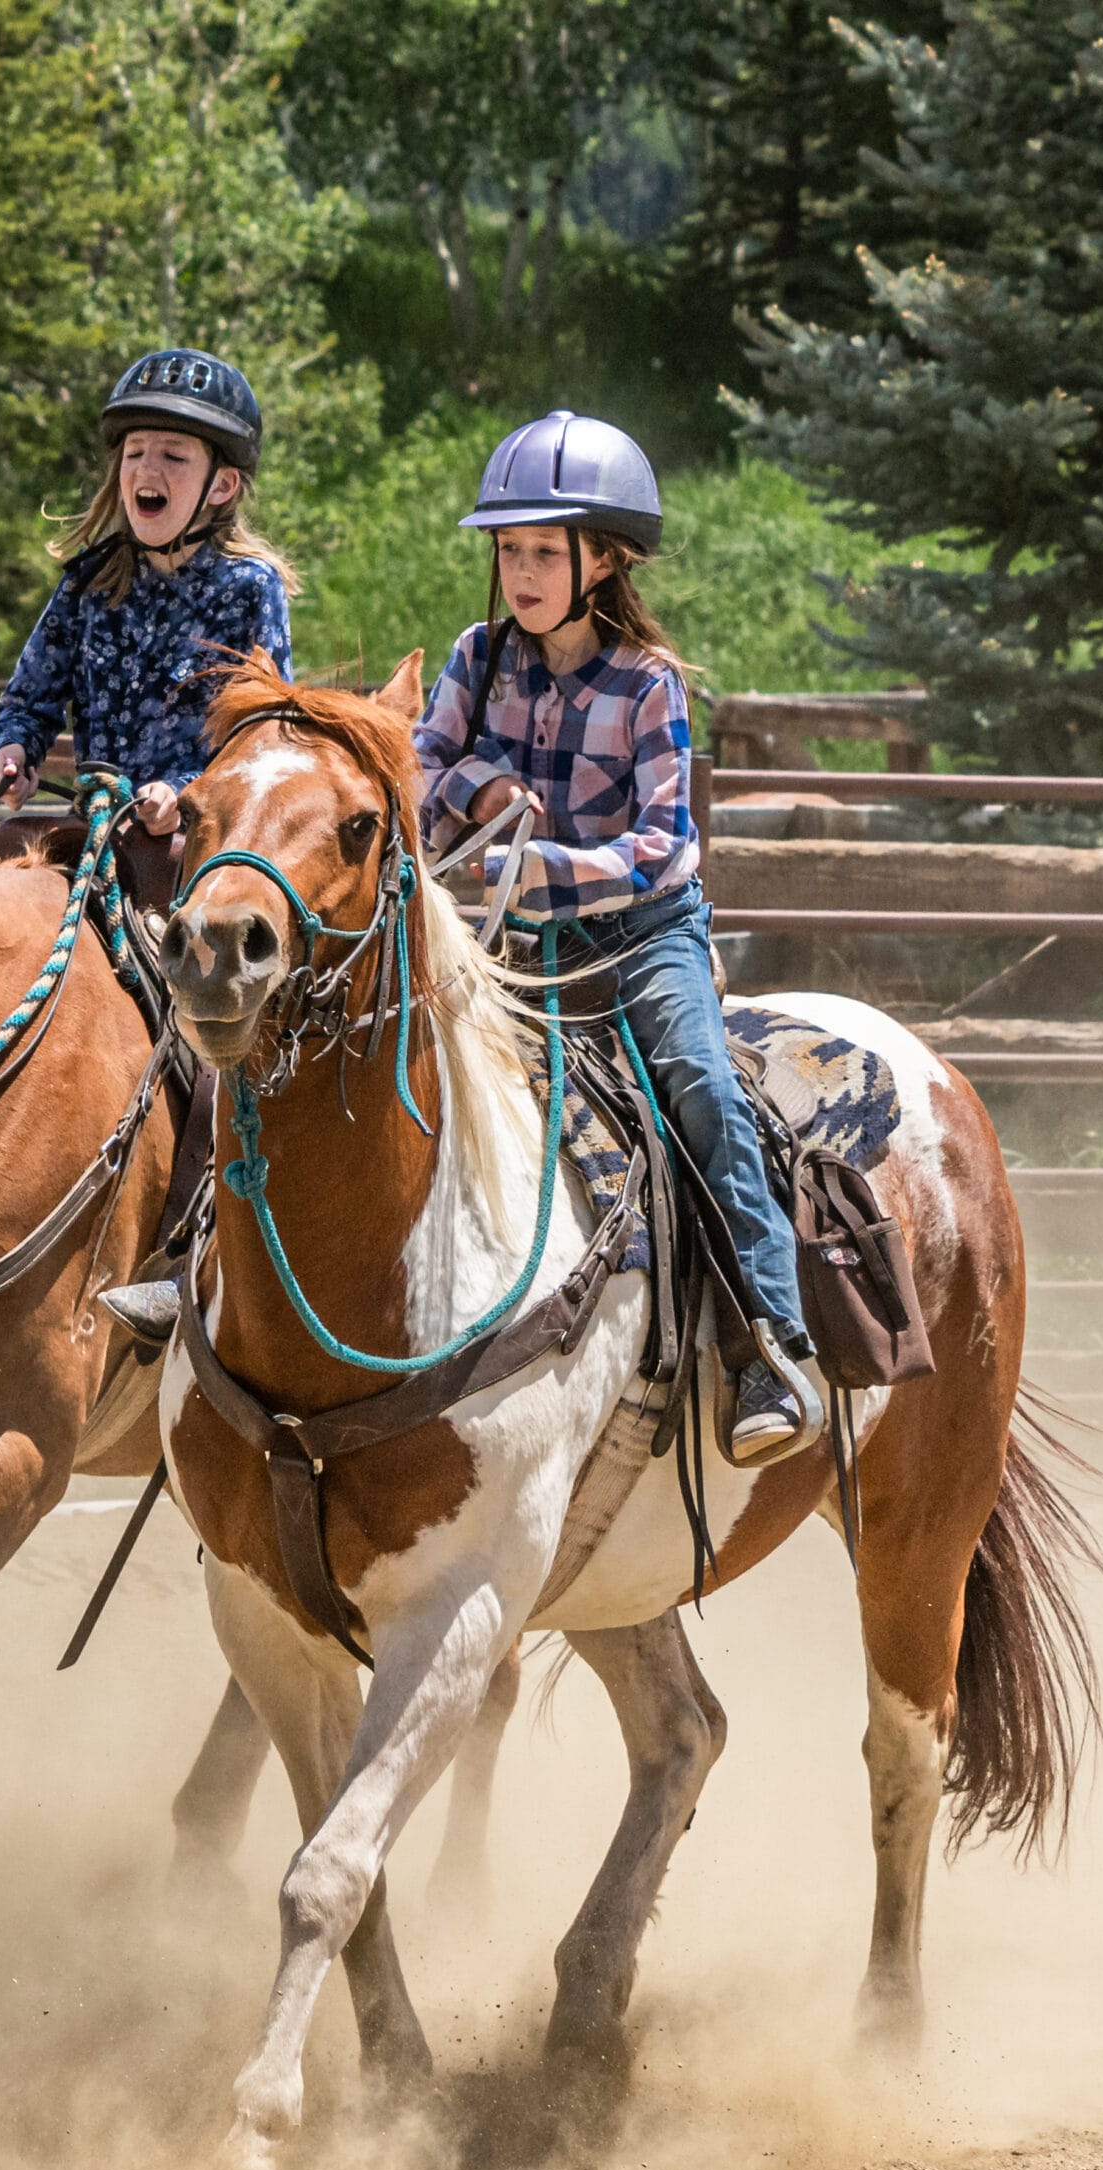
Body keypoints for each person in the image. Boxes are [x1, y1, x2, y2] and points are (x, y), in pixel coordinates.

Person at [412, 410, 824, 1469]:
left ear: (605, 557)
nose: (522, 571)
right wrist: (479, 783)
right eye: (508, 550)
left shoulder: (649, 683)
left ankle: (768, 1341)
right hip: (501, 939)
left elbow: (664, 848)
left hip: (639, 939)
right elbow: (415, 774)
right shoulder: (475, 657)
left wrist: (539, 866)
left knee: (698, 1085)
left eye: (545, 550)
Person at [0, 348, 297, 899]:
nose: (147, 469)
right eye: (135, 453)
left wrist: (183, 793)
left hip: (205, 853)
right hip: (98, 839)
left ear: (221, 486)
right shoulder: (87, 582)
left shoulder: (251, 588)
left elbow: (263, 740)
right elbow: (28, 704)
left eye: (173, 456)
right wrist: (12, 751)